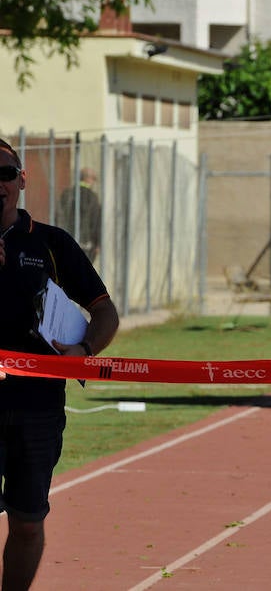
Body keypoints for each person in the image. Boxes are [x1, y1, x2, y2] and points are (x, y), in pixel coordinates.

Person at [0, 138, 119, 589]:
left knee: (28, 523)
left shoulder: (51, 243)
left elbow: (105, 310)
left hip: (37, 406)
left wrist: (85, 351)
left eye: (5, 175)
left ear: (21, 181)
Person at [57, 167, 101, 262]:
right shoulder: (93, 198)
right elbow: (96, 222)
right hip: (86, 245)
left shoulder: (67, 194)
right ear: (89, 179)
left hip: (67, 242)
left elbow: (58, 216)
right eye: (93, 179)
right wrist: (97, 243)